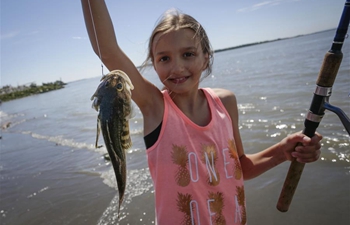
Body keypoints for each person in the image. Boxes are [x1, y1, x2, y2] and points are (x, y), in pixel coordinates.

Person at [81, 1, 323, 224]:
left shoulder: (225, 103)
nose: (177, 67)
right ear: (154, 65)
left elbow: (242, 168)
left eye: (188, 54)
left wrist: (283, 151)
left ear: (206, 58)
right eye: (164, 58)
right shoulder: (156, 108)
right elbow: (107, 50)